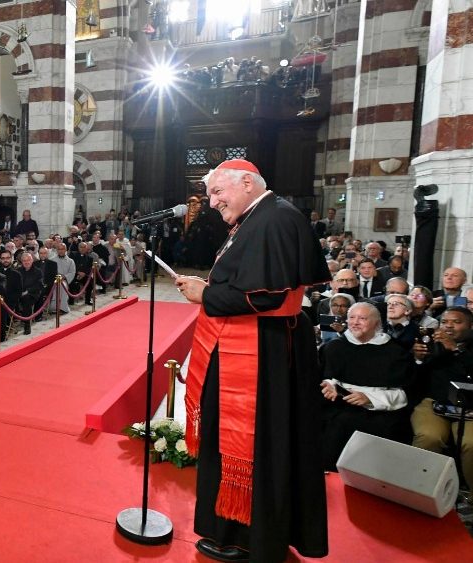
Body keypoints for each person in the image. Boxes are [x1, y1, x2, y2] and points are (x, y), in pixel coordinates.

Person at [175, 159, 329, 562]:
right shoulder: (256, 218)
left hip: (262, 357)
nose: (211, 203)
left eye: (217, 193)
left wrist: (204, 294)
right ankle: (233, 529)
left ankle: (250, 539)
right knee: (233, 441)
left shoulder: (274, 219)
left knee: (256, 445)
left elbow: (267, 296)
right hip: (253, 345)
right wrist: (210, 289)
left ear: (247, 182)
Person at [319, 302, 413, 469]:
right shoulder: (333, 347)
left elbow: (404, 393)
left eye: (362, 318)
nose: (355, 322)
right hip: (339, 408)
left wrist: (369, 398)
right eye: (352, 318)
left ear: (377, 323)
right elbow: (325, 376)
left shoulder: (395, 352)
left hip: (381, 411)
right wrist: (329, 384)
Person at [410, 307, 473, 488]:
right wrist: (418, 359)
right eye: (444, 322)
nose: (449, 327)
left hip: (470, 406)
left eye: (456, 322)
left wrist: (455, 350)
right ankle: (420, 489)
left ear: (471, 325)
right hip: (435, 403)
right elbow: (414, 380)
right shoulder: (431, 344)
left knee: (470, 442)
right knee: (429, 436)